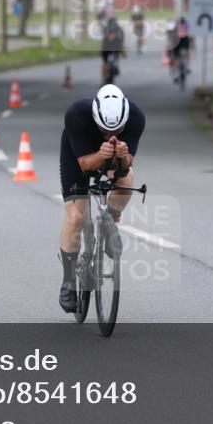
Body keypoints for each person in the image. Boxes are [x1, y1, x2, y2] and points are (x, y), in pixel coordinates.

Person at [57, 85, 146, 312]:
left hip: (113, 158)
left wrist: (123, 157)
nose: (111, 136)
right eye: (105, 131)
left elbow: (126, 168)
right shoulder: (77, 114)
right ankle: (68, 282)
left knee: (126, 183)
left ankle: (111, 221)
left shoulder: (136, 118)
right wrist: (101, 154)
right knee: (77, 216)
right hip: (80, 154)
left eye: (117, 130)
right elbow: (85, 165)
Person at [100, 16, 125, 83]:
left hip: (113, 48)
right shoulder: (117, 29)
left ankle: (108, 73)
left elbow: (121, 41)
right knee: (105, 62)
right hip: (108, 48)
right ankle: (105, 75)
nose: (112, 35)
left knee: (107, 62)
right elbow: (121, 42)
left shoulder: (116, 29)